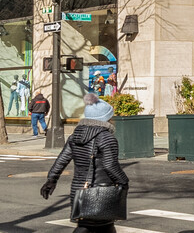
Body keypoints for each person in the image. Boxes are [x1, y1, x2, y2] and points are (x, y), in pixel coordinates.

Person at [40, 96, 128, 230]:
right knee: (97, 225)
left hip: (79, 189)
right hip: (100, 191)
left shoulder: (75, 135)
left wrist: (51, 179)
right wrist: (124, 181)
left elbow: (62, 159)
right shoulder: (106, 137)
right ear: (106, 118)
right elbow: (110, 165)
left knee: (95, 225)